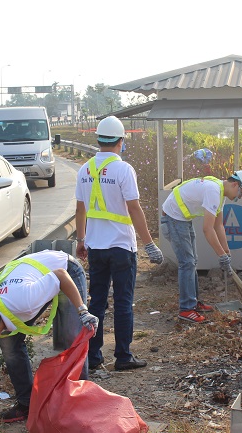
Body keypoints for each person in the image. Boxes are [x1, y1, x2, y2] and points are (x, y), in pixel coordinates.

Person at [0, 250, 98, 423]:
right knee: (9, 347)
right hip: (27, 277)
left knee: (73, 335)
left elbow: (61, 276)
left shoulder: (25, 301)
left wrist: (82, 311)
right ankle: (27, 404)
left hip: (65, 270)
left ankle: (80, 403)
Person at [75, 116, 164, 372]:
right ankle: (123, 357)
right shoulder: (123, 170)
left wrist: (81, 240)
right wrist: (149, 244)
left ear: (99, 140)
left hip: (96, 248)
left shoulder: (85, 169)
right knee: (124, 302)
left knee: (97, 302)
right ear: (121, 141)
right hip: (122, 247)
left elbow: (80, 209)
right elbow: (134, 208)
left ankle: (93, 356)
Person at [161, 170, 242, 323]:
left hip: (181, 220)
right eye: (240, 194)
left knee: (193, 261)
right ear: (235, 184)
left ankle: (194, 302)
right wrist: (221, 255)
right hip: (173, 219)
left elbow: (219, 226)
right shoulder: (213, 190)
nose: (237, 198)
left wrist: (226, 251)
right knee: (187, 263)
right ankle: (186, 309)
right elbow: (207, 229)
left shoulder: (219, 192)